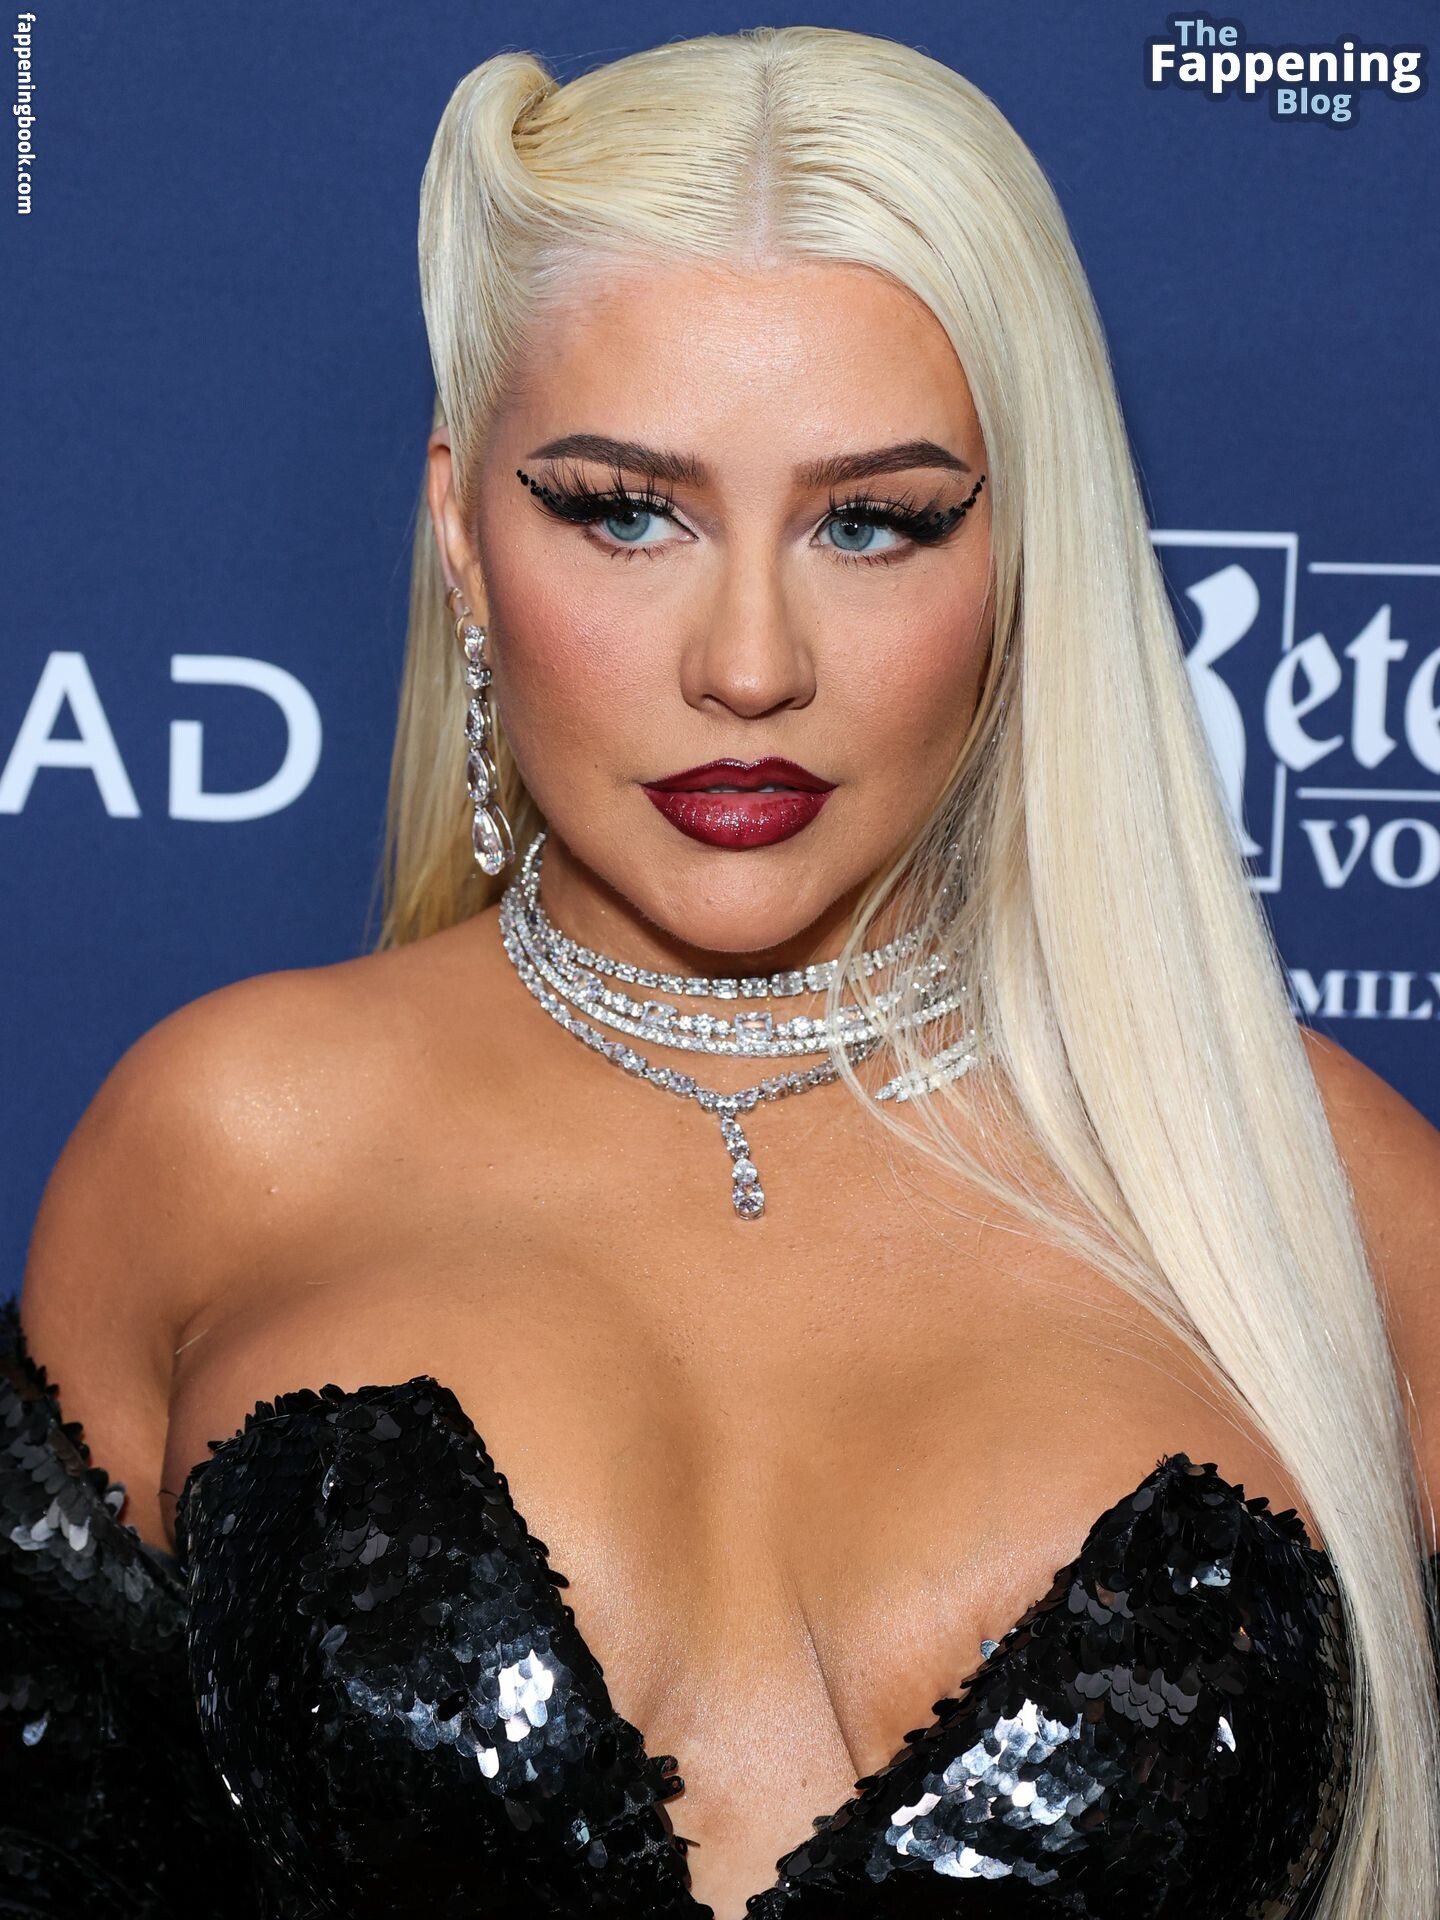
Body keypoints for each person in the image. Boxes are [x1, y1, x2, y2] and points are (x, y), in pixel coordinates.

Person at [2, 22, 1437, 1920]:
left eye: (875, 522)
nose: (749, 664)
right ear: (461, 531)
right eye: (625, 510)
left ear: (1027, 559)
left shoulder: (1325, 1192)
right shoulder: (220, 1143)